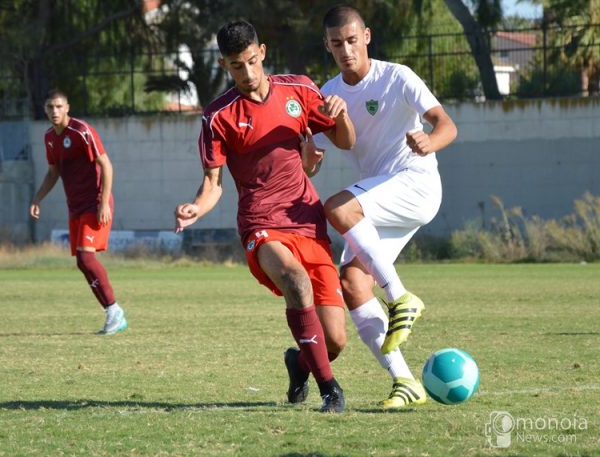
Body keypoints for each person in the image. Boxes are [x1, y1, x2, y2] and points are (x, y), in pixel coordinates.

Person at [175, 20, 356, 413]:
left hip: (307, 221)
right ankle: (331, 391)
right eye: (237, 66)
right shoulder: (218, 115)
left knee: (335, 341)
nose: (247, 73)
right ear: (224, 65)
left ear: (263, 52)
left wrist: (341, 116)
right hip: (261, 225)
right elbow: (213, 185)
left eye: (251, 61)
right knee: (295, 280)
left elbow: (344, 140)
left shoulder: (299, 89)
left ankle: (299, 363)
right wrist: (196, 207)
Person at [313, 5, 458, 408]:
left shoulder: (398, 76)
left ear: (367, 37)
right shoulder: (328, 94)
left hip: (416, 182)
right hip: (379, 199)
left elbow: (446, 124)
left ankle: (399, 297)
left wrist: (430, 141)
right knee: (352, 282)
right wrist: (308, 149)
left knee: (338, 208)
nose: (346, 50)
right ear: (327, 45)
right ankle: (405, 382)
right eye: (337, 43)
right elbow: (312, 160)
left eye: (352, 40)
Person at [30, 89, 127, 335]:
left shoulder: (81, 131)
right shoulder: (49, 138)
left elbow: (106, 165)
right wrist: (37, 198)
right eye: (50, 107)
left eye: (59, 106)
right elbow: (53, 173)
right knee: (82, 263)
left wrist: (103, 203)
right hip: (75, 207)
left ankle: (114, 311)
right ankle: (112, 312)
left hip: (95, 203)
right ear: (45, 110)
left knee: (86, 258)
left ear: (67, 108)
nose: (54, 111)